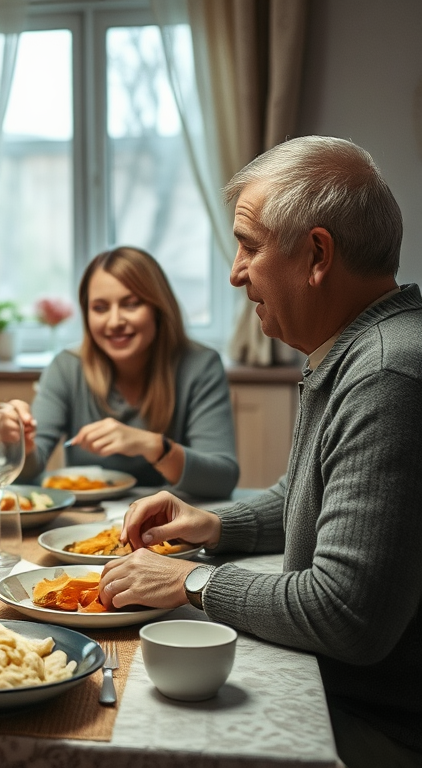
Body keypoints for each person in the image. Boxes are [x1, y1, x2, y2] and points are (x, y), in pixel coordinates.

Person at [100, 137, 421, 768]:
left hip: (379, 728)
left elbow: (345, 612)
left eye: (250, 244)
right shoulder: (353, 349)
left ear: (316, 254)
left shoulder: (386, 375)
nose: (235, 271)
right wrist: (214, 523)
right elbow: (302, 498)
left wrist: (192, 578)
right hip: (340, 694)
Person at [12, 246, 239, 499]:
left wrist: (153, 447)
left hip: (171, 525)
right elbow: (28, 474)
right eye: (99, 308)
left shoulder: (200, 366)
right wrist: (19, 444)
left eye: (131, 304)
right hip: (85, 523)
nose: (114, 321)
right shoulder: (66, 368)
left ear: (158, 308)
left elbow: (222, 479)